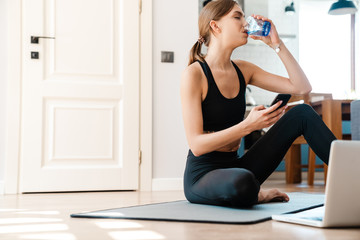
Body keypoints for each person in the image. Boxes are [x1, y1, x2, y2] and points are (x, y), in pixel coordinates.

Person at [180, 0, 336, 207]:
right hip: (203, 175)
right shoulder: (194, 75)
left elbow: (302, 87)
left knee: (302, 113)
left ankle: (353, 177)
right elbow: (197, 145)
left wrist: (276, 44)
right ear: (215, 26)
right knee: (243, 182)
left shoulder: (244, 70)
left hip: (239, 166)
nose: (245, 23)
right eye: (237, 17)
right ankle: (258, 193)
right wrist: (249, 125)